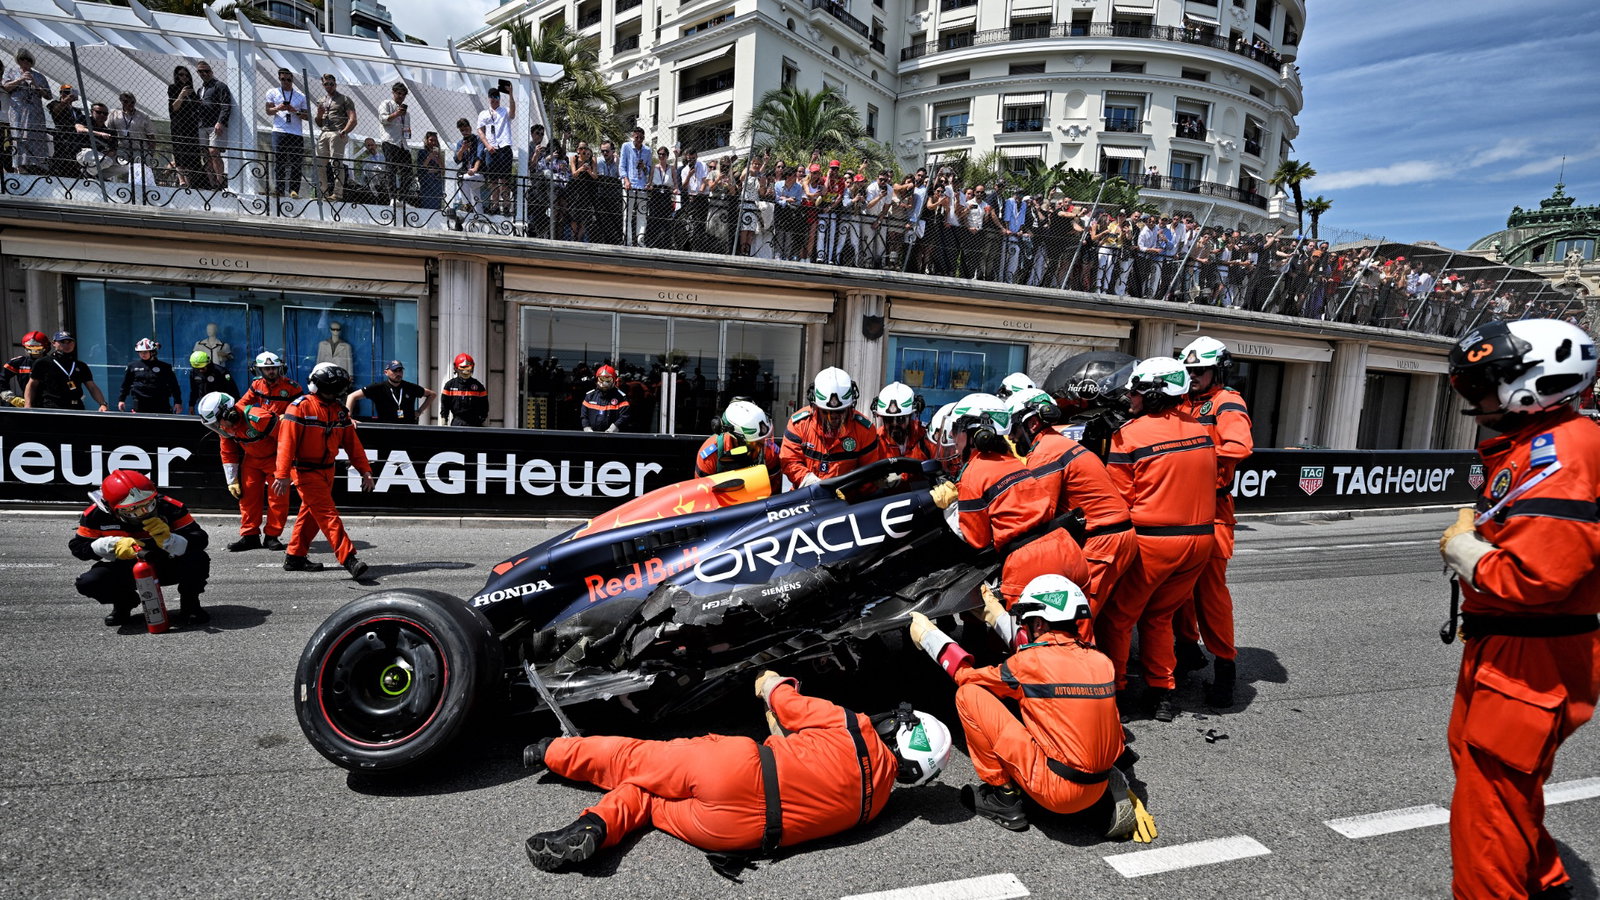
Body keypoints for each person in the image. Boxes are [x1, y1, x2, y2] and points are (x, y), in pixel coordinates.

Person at [1438, 318, 1600, 900]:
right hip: (1512, 642)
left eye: (1483, 384)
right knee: (1491, 781)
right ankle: (1547, 882)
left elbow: (1541, 577)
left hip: (1531, 650)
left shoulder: (1565, 451)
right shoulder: (1539, 443)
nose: (1473, 397)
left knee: (1490, 810)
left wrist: (1468, 555)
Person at [519, 669, 951, 873]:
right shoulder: (875, 808)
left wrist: (770, 680)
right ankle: (594, 826)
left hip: (735, 770)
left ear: (899, 728)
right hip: (738, 834)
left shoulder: (853, 727)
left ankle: (551, 750)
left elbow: (785, 703)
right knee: (649, 801)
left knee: (632, 761)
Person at [907, 575, 1153, 841]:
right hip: (1096, 784)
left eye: (1027, 622)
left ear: (1038, 622)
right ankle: (1106, 791)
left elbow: (967, 676)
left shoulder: (1029, 664)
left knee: (969, 694)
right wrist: (995, 615)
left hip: (1055, 791)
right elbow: (1045, 653)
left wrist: (931, 638)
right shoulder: (1100, 661)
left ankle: (1003, 798)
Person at [1097, 358, 1216, 723]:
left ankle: (1112, 694)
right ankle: (1163, 693)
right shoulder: (1201, 429)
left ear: (1153, 393)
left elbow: (1117, 500)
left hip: (1154, 542)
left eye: (1135, 390)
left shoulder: (1128, 435)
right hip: (1200, 541)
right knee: (1159, 617)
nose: (1130, 397)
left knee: (1118, 618)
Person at [937, 393, 1088, 603]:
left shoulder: (973, 472)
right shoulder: (1014, 462)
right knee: (1077, 633)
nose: (953, 437)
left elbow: (978, 540)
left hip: (1029, 563)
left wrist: (951, 509)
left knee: (1020, 634)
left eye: (957, 430)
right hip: (1067, 550)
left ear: (976, 434)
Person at [1173, 336, 1253, 707]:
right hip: (1179, 506)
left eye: (1199, 371)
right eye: (1188, 370)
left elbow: (1239, 446)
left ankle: (1225, 668)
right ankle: (1188, 651)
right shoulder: (1182, 400)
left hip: (1213, 509)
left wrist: (1191, 454)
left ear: (1217, 370)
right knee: (1178, 591)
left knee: (1210, 594)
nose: (1192, 377)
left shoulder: (1227, 402)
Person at [1006, 387, 1136, 614]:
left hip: (1102, 542)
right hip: (1113, 536)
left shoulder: (1045, 452)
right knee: (1108, 621)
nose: (1012, 437)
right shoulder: (1059, 443)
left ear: (1033, 424)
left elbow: (1039, 512)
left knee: (1076, 618)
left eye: (1015, 428)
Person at [70, 469, 210, 626]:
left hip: (167, 563)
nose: (144, 513)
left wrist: (170, 540)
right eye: (132, 510)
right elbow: (78, 548)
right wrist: (110, 545)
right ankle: (124, 602)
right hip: (127, 568)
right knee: (88, 582)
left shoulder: (170, 507)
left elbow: (200, 540)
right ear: (112, 509)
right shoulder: (94, 516)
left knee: (198, 559)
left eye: (148, 505)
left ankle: (190, 603)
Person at [273, 362, 374, 577]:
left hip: (327, 471)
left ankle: (295, 557)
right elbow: (286, 444)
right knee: (328, 515)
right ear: (317, 385)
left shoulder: (339, 412)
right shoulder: (299, 407)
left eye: (337, 389)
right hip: (304, 471)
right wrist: (281, 475)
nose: (334, 394)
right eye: (330, 389)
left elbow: (353, 445)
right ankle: (349, 558)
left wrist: (365, 470)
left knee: (310, 514)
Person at [198, 391, 287, 553]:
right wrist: (232, 480)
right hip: (251, 461)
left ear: (229, 413)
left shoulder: (258, 418)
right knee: (247, 497)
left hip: (275, 459)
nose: (218, 427)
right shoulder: (226, 428)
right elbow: (228, 452)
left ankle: (272, 536)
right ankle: (250, 535)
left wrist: (286, 467)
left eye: (218, 422)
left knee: (278, 499)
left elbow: (286, 439)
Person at [779, 367, 886, 488]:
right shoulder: (799, 424)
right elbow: (789, 461)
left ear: (850, 407)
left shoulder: (864, 430)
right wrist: (808, 480)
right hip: (805, 496)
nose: (833, 417)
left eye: (840, 411)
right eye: (826, 412)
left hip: (846, 501)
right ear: (815, 407)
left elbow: (868, 471)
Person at [694, 399, 781, 489]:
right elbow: (702, 491)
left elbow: (773, 489)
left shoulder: (770, 451)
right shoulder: (710, 456)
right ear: (737, 439)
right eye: (757, 442)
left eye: (765, 438)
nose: (764, 445)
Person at [25, 332, 108, 411]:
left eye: (70, 341)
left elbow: (92, 387)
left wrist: (102, 404)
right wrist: (28, 405)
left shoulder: (80, 365)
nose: (67, 345)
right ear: (54, 343)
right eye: (62, 342)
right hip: (52, 407)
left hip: (76, 407)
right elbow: (31, 385)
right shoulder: (43, 363)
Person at [2, 48, 50, 175]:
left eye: (28, 59)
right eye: (22, 59)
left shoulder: (39, 76)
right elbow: (6, 87)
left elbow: (49, 95)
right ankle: (19, 166)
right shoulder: (11, 72)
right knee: (19, 136)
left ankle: (37, 165)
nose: (25, 61)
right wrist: (20, 80)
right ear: (18, 60)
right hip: (18, 111)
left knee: (36, 136)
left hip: (35, 112)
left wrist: (36, 85)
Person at [263, 68, 308, 198]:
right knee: (279, 160)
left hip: (296, 133)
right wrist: (279, 108)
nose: (286, 82)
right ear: (279, 79)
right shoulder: (272, 92)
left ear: (292, 80)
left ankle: (294, 190)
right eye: (283, 79)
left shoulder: (300, 96)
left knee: (296, 162)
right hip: (279, 130)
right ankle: (279, 189)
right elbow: (268, 110)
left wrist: (294, 111)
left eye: (288, 80)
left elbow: (306, 116)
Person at [313, 73, 357, 201]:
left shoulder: (344, 99)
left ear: (335, 84)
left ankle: (337, 194)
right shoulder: (321, 100)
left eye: (331, 84)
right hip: (324, 132)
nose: (329, 86)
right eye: (326, 84)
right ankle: (323, 193)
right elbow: (319, 122)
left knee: (336, 163)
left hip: (337, 133)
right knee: (320, 164)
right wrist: (319, 115)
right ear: (323, 85)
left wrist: (344, 131)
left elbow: (353, 119)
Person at [348, 360, 434, 424]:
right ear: (386, 372)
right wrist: (348, 418)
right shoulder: (378, 387)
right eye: (394, 371)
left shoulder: (410, 387)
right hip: (386, 429)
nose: (398, 373)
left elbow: (432, 394)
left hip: (408, 428)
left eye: (400, 370)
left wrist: (419, 411)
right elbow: (351, 396)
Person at [476, 81, 515, 215]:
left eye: (496, 96)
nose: (494, 99)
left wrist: (510, 94)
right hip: (491, 148)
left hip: (504, 147)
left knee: (504, 179)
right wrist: (487, 145)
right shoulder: (483, 114)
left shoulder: (504, 111)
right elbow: (480, 131)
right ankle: (495, 205)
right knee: (492, 180)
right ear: (488, 98)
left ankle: (506, 206)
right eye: (492, 96)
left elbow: (513, 113)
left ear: (499, 98)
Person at [193, 60, 233, 191]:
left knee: (213, 151)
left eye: (206, 71)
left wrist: (220, 122)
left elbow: (226, 105)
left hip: (214, 125)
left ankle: (220, 180)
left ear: (211, 71)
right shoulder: (201, 89)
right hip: (202, 125)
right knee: (206, 154)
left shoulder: (219, 86)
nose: (204, 73)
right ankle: (212, 183)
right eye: (200, 71)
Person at [871, 382, 936, 460]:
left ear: (911, 416)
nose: (894, 424)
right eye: (889, 419)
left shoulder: (925, 435)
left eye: (900, 419)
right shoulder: (875, 442)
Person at [118, 338, 183, 414]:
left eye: (145, 352)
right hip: (140, 404)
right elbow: (126, 385)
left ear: (152, 352)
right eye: (140, 352)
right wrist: (121, 400)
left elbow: (174, 386)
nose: (142, 354)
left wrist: (178, 402)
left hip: (160, 404)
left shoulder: (165, 367)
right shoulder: (132, 366)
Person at [167, 66, 203, 188]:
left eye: (186, 75)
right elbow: (174, 108)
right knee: (179, 152)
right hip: (179, 124)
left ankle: (189, 181)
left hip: (191, 125)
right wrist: (181, 95)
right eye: (181, 75)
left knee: (190, 152)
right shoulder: (173, 88)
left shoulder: (192, 91)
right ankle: (181, 180)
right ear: (176, 76)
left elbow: (198, 106)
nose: (184, 77)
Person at [377, 81, 412, 202]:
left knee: (408, 172)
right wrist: (397, 114)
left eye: (403, 94)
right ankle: (392, 197)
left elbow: (406, 129)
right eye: (398, 93)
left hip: (403, 143)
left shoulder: (406, 114)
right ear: (393, 93)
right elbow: (383, 119)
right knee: (391, 169)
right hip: (390, 141)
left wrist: (407, 131)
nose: (401, 96)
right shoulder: (386, 104)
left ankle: (402, 199)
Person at [439, 353, 488, 427]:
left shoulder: (478, 386)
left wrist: (482, 419)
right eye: (463, 368)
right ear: (456, 368)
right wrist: (444, 420)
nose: (465, 372)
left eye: (468, 368)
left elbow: (484, 405)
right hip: (457, 422)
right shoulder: (450, 385)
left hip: (475, 423)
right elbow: (444, 405)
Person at [2, 330, 47, 407]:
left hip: (48, 404)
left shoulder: (52, 362)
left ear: (45, 346)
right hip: (25, 403)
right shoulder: (19, 362)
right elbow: (1, 378)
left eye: (37, 347)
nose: (34, 350)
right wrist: (10, 397)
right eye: (30, 347)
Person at [579, 364, 630, 432]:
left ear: (614, 380)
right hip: (591, 436)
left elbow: (624, 416)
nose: (604, 383)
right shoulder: (590, 396)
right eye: (602, 379)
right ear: (597, 379)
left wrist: (613, 428)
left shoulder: (621, 398)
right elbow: (584, 416)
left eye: (608, 379)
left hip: (612, 437)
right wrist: (587, 428)